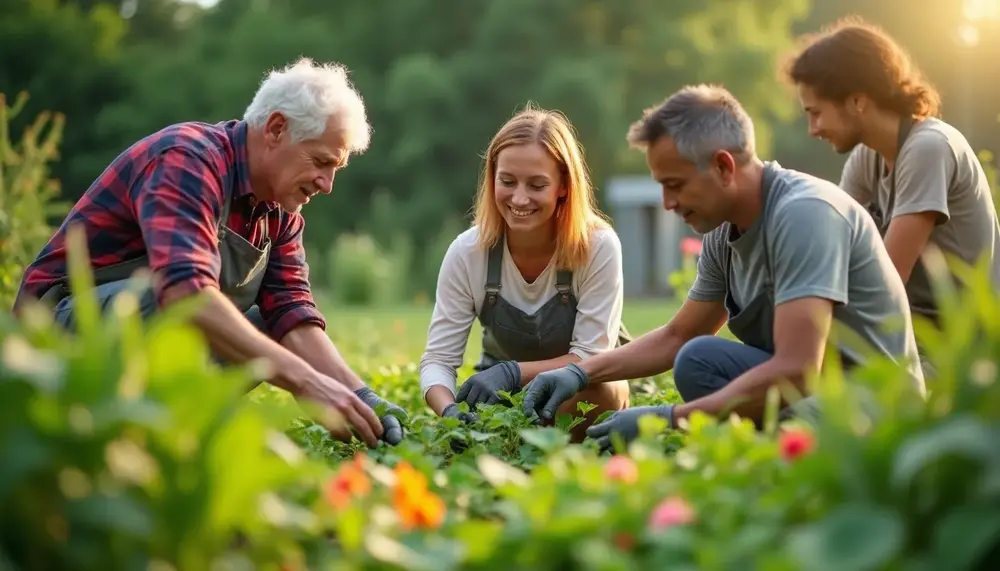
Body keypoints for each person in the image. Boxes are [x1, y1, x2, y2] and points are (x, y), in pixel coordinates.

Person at [12, 57, 407, 450]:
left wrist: (359, 395)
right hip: (55, 341)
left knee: (274, 328)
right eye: (321, 161)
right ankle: (110, 425)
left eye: (335, 168)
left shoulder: (280, 212)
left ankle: (159, 428)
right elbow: (185, 292)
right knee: (164, 295)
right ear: (275, 129)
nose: (327, 184)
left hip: (146, 345)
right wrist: (305, 381)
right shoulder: (187, 159)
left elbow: (292, 313)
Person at [520, 85, 927, 453]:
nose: (667, 202)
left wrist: (667, 420)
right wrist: (579, 372)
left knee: (781, 428)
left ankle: (766, 456)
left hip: (876, 402)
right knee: (698, 357)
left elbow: (797, 371)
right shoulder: (723, 231)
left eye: (675, 184)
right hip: (814, 391)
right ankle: (757, 447)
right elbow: (681, 334)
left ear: (723, 167)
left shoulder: (805, 214)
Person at [418, 104, 631, 441]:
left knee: (604, 390)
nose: (519, 198)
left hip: (579, 392)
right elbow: (438, 361)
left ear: (563, 185)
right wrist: (450, 411)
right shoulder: (467, 252)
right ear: (492, 178)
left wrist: (513, 372)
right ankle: (519, 441)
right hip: (503, 398)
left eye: (536, 185)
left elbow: (590, 357)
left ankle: (542, 448)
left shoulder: (597, 246)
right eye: (507, 181)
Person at [783, 17, 1000, 341]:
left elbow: (887, 281)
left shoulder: (929, 148)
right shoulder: (868, 156)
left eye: (816, 113)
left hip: (964, 349)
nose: (813, 129)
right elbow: (832, 243)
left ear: (857, 101)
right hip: (910, 330)